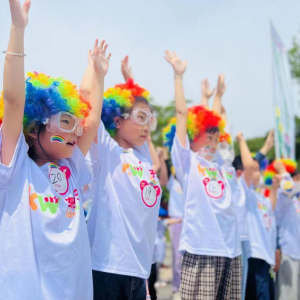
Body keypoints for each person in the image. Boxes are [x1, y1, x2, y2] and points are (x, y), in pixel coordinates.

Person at [0, 1, 111, 299]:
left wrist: (96, 73)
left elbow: (91, 119)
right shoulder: (14, 168)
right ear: (35, 127)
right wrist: (17, 29)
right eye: (64, 121)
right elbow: (13, 100)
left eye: (75, 123)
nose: (75, 131)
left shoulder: (70, 164)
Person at [163, 51, 242, 300]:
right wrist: (178, 76)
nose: (212, 139)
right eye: (206, 135)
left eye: (215, 136)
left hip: (230, 250)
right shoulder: (188, 162)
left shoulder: (220, 163)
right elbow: (183, 114)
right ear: (193, 136)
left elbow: (214, 122)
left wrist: (218, 96)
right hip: (201, 249)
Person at [85, 56, 162, 300]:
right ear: (117, 119)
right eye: (141, 119)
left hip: (138, 271)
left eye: (151, 121)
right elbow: (90, 105)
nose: (147, 127)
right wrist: (99, 74)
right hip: (107, 267)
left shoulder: (143, 156)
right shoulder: (108, 152)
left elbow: (139, 111)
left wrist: (131, 83)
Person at [236, 133, 280, 300]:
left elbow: (271, 210)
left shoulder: (260, 196)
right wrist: (265, 148)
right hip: (254, 254)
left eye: (258, 170)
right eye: (254, 170)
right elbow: (249, 165)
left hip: (266, 255)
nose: (257, 173)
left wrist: (274, 189)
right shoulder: (245, 192)